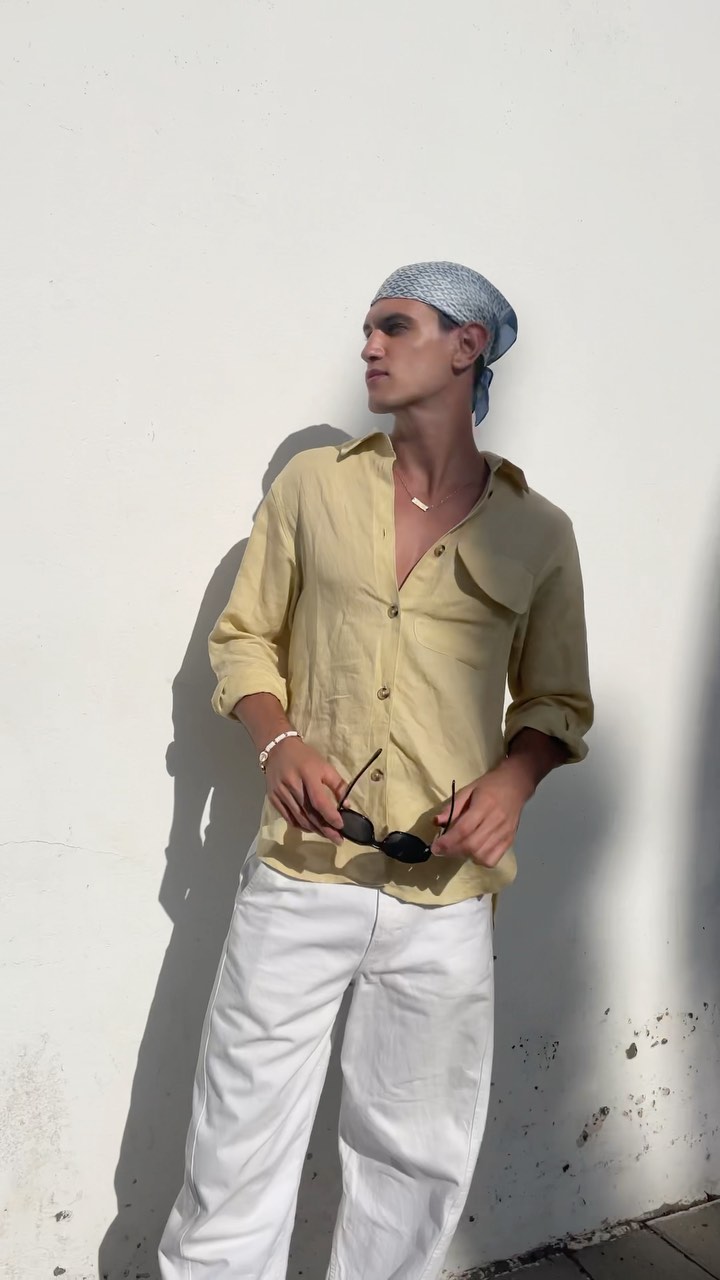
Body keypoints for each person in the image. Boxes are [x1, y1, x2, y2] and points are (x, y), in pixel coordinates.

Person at [159, 260, 593, 1280]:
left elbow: (555, 703)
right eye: (367, 328)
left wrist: (513, 782)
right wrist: (279, 743)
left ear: (467, 345)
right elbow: (243, 640)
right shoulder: (313, 488)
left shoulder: (539, 531)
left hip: (444, 897)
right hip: (303, 875)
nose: (368, 346)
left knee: (414, 1163)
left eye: (394, 325)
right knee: (234, 1150)